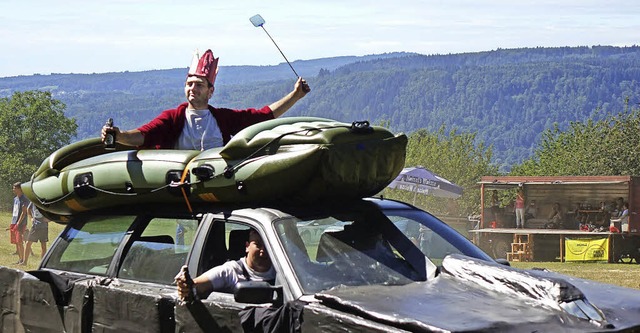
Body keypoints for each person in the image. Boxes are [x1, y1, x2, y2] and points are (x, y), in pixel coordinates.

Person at [101, 49, 310, 150]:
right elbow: (145, 135)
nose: (192, 88)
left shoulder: (223, 118)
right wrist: (119, 135)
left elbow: (263, 116)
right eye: (189, 83)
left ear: (210, 91)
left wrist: (295, 95)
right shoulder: (173, 118)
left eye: (199, 84)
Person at [175, 229, 275, 300]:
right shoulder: (232, 271)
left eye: (268, 245)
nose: (263, 251)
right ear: (247, 247)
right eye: (258, 245)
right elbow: (198, 285)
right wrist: (186, 287)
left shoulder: (283, 269)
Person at [6, 183, 29, 264]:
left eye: (14, 188)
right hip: (14, 221)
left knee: (19, 241)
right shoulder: (15, 199)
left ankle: (23, 260)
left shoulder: (24, 199)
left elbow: (24, 212)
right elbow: (14, 211)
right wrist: (12, 222)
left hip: (21, 223)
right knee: (16, 241)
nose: (13, 190)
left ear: (19, 189)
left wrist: (18, 222)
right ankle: (20, 259)